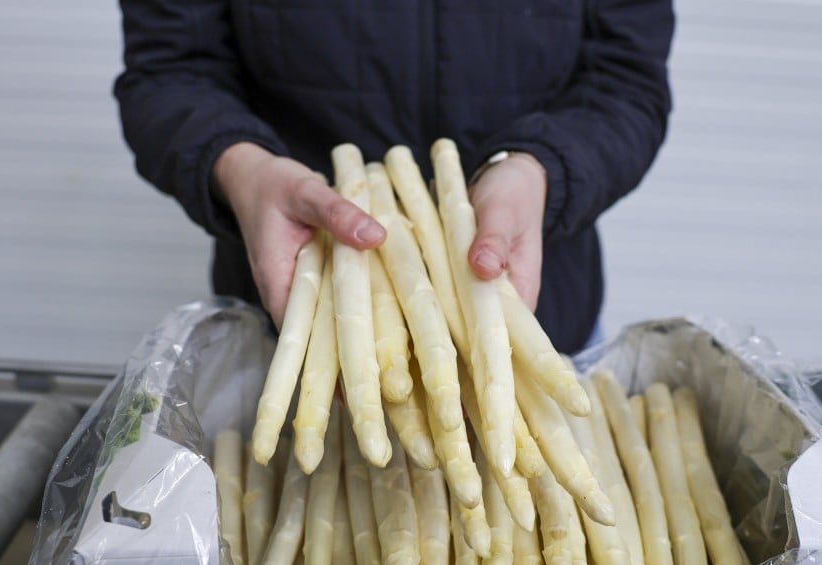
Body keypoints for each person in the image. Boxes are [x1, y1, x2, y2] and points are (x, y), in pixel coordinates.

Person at [114, 1, 675, 354]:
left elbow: (626, 81)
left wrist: (537, 169)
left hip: (540, 328)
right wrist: (242, 168)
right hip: (297, 331)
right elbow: (170, 71)